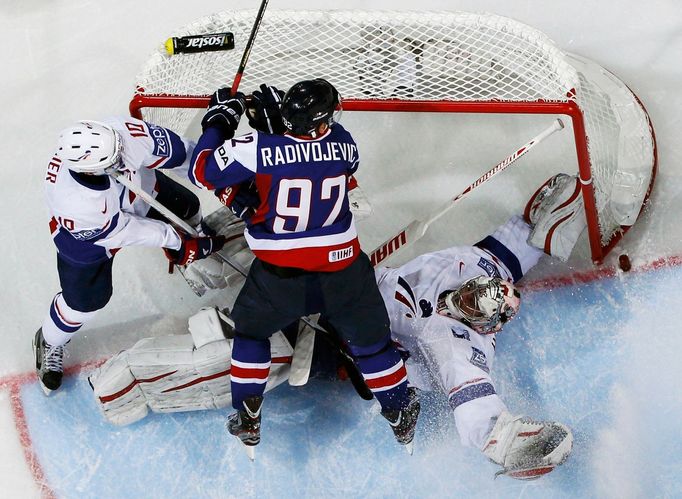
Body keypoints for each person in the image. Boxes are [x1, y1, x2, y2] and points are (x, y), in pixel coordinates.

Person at [90, 172, 583, 478]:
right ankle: (188, 244)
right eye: (476, 290)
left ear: (484, 326)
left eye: (476, 306)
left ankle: (132, 385)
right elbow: (510, 249)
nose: (469, 298)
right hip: (344, 291)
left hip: (343, 351)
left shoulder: (461, 347)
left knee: (255, 354)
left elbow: (478, 410)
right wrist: (536, 229)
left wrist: (513, 441)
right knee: (271, 226)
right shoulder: (471, 266)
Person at [187, 79, 417, 455]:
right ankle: (398, 411)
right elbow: (309, 157)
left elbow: (202, 171)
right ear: (324, 123)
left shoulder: (256, 148)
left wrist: (219, 123)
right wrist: (277, 128)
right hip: (344, 275)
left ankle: (247, 413)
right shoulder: (344, 143)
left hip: (279, 278)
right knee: (372, 346)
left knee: (250, 336)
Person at [36, 117, 226, 395]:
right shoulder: (75, 203)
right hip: (88, 242)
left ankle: (190, 245)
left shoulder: (120, 135)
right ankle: (50, 340)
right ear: (89, 170)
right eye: (113, 161)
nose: (122, 155)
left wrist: (216, 179)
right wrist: (176, 241)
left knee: (187, 206)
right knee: (85, 303)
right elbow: (126, 231)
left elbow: (183, 154)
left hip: (136, 192)